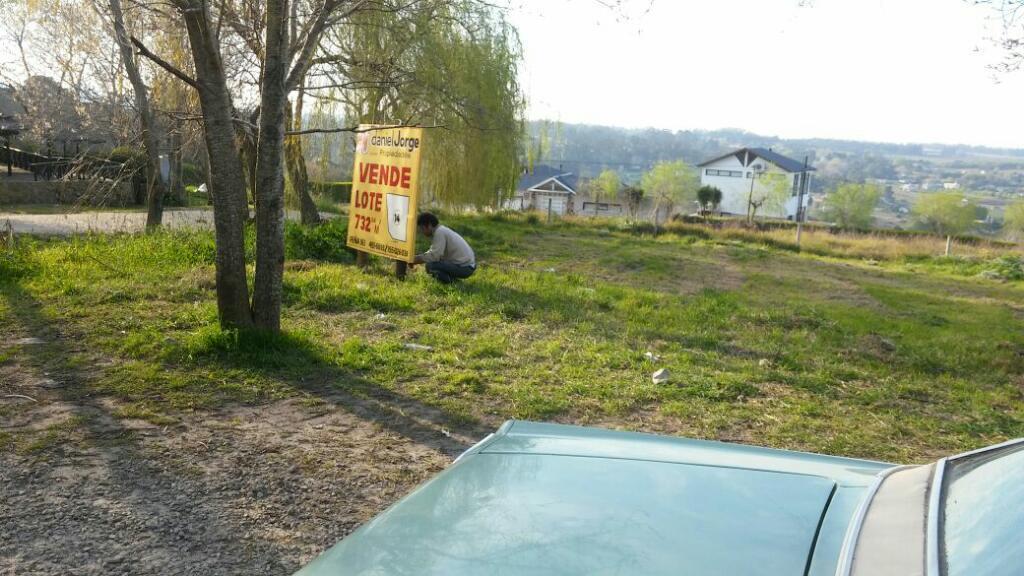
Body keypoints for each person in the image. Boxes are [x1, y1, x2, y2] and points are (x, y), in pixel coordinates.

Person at [412, 212, 476, 284]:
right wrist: (417, 258)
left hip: (465, 268)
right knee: (433, 264)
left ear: (429, 225)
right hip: (468, 265)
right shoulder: (441, 230)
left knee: (430, 266)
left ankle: (452, 282)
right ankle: (453, 280)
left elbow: (434, 256)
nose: (422, 232)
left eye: (422, 228)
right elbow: (435, 253)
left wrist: (415, 259)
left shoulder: (439, 233)